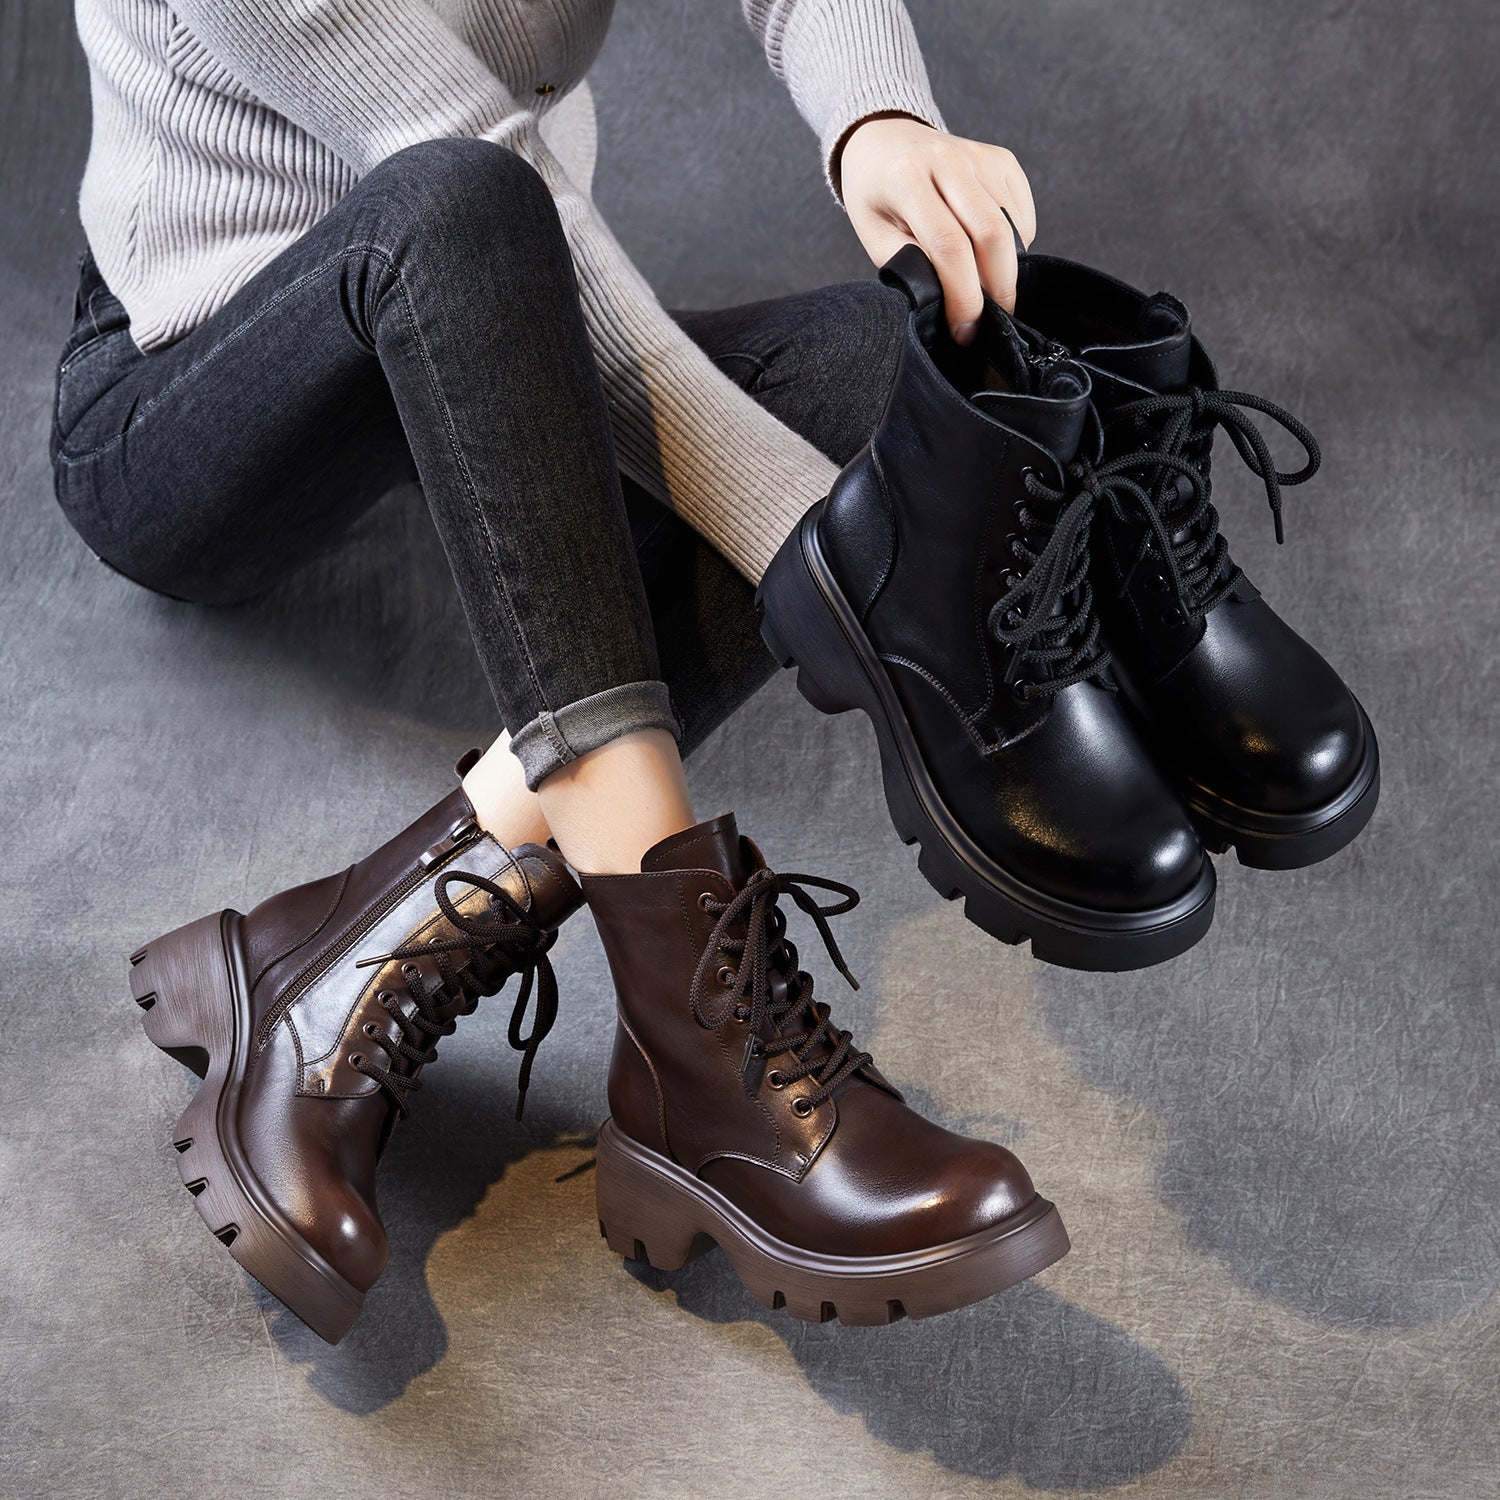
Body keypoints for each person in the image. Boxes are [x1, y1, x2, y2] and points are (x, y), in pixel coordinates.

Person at [66, 0, 1072, 1343]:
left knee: (887, 370)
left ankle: (343, 964)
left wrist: (877, 116)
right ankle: (701, 1052)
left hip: (490, 312)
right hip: (189, 380)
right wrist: (814, 552)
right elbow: (461, 159)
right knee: (458, 203)